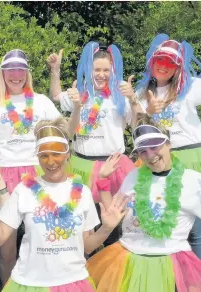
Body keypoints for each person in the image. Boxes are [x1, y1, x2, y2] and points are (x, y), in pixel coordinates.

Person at [86, 114, 201, 292]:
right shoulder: (133, 176)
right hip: (126, 260)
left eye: (155, 146)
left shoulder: (193, 181)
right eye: (143, 150)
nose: (150, 155)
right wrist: (102, 181)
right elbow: (113, 212)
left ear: (168, 144)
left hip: (170, 264)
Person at [0, 117, 129, 291]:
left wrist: (107, 228)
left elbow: (87, 245)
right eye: (44, 155)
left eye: (57, 154)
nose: (50, 162)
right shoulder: (23, 190)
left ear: (68, 154)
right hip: (30, 284)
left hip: (73, 282)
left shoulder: (83, 193)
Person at [0, 49, 80, 284]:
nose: (16, 75)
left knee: (47, 240)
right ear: (2, 73)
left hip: (38, 172)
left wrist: (77, 108)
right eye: (10, 70)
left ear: (27, 73)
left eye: (21, 69)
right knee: (7, 248)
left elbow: (67, 132)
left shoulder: (40, 101)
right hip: (3, 175)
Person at [135, 34, 201, 262]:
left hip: (192, 156)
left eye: (170, 63)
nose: (164, 67)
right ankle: (171, 270)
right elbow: (138, 128)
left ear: (177, 68)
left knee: (196, 228)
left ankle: (195, 281)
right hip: (158, 158)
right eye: (160, 61)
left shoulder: (190, 86)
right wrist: (150, 112)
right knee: (170, 220)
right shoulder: (140, 93)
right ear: (152, 62)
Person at [47, 43, 142, 246]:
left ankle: (113, 269)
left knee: (117, 222)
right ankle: (86, 268)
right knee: (84, 221)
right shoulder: (80, 94)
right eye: (97, 70)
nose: (101, 75)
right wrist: (55, 71)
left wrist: (133, 100)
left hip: (114, 166)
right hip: (83, 165)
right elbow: (56, 96)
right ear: (89, 71)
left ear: (113, 72)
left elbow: (137, 125)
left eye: (106, 70)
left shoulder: (120, 96)